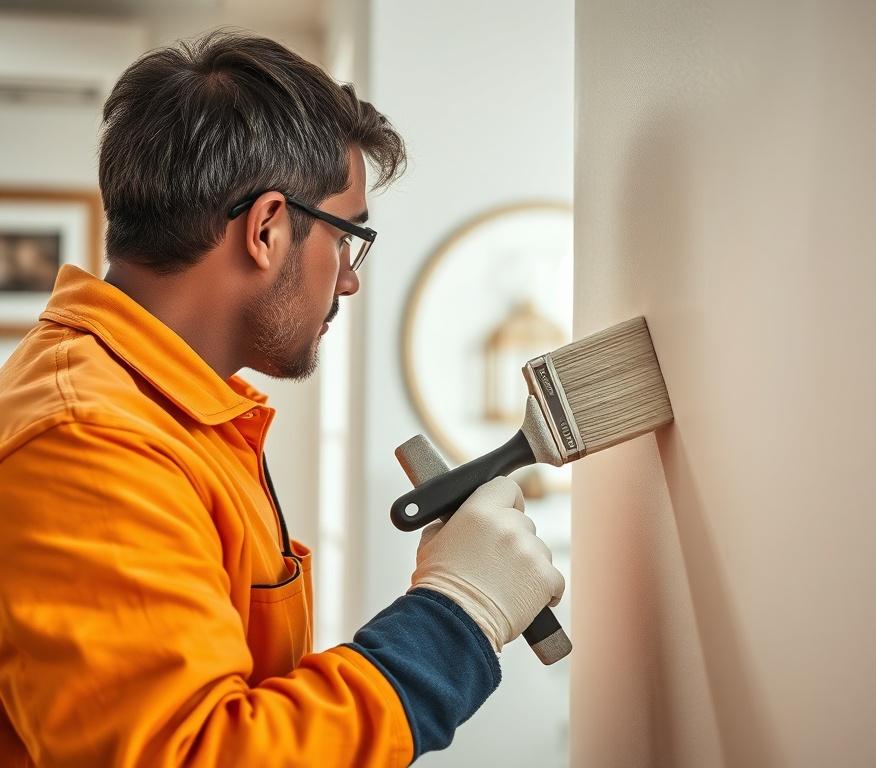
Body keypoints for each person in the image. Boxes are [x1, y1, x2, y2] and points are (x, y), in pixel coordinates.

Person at [0, 31, 565, 767]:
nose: (350, 279)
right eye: (347, 236)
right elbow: (196, 755)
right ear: (267, 228)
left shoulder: (181, 415)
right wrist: (457, 615)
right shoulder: (92, 440)